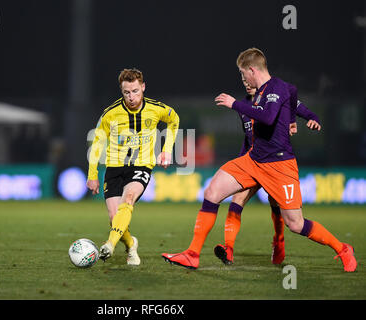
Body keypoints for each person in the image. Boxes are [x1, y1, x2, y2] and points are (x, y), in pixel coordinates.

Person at [162, 48, 356, 272]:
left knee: (296, 224)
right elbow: (291, 96)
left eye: (243, 73)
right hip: (253, 160)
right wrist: (292, 119)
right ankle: (192, 254)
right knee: (212, 192)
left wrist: (235, 104)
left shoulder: (276, 88)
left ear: (252, 70)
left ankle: (342, 248)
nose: (242, 78)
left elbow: (269, 115)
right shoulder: (262, 91)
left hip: (280, 165)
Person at [214, 78, 322, 265]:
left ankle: (279, 241)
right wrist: (241, 162)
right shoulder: (244, 105)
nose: (246, 83)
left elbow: (300, 107)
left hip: (275, 164)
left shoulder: (275, 95)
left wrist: (313, 118)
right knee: (237, 199)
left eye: (248, 77)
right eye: (243, 79)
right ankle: (228, 249)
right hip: (254, 162)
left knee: (277, 206)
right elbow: (249, 138)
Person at [87, 68, 179, 264]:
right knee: (115, 218)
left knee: (128, 200)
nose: (131, 97)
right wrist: (92, 174)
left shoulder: (156, 108)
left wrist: (166, 149)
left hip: (142, 165)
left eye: (135, 91)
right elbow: (97, 144)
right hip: (114, 168)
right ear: (121, 91)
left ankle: (109, 245)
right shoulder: (110, 114)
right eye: (127, 92)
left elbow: (174, 119)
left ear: (143, 87)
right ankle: (131, 245)